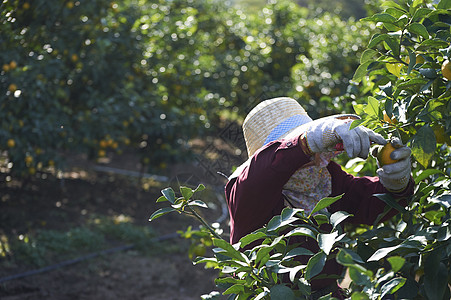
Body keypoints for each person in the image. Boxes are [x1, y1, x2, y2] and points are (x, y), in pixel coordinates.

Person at [225, 97, 414, 299]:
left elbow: (365, 201)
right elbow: (261, 175)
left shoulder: (322, 177)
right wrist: (306, 142)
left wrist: (396, 184)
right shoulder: (246, 192)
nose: (317, 158)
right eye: (309, 149)